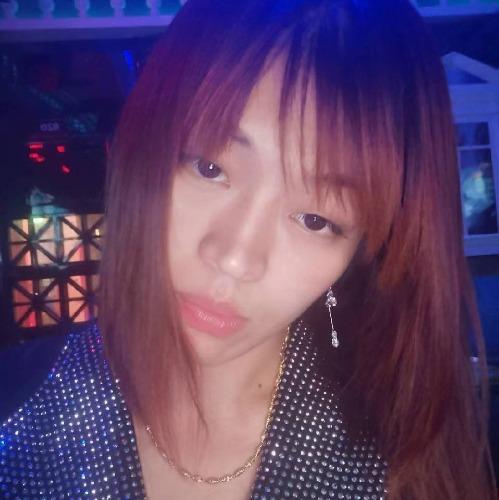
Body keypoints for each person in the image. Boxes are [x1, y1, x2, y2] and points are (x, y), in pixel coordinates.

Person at [1, 0, 496, 498]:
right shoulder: (16, 411)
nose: (236, 258)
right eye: (209, 168)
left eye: (316, 220)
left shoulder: (399, 460)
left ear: (362, 253)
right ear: (144, 148)